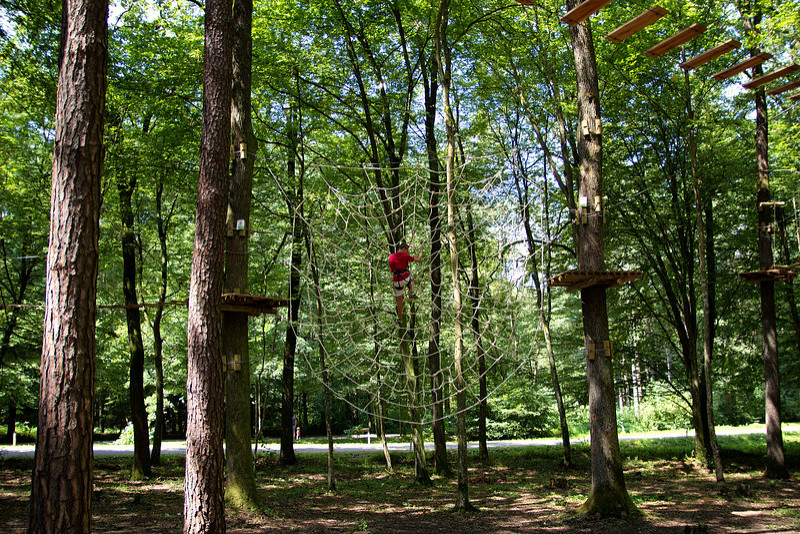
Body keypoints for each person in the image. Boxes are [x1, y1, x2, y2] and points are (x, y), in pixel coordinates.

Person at [389, 240, 423, 321]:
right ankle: (412, 292)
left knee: (399, 300)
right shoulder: (405, 256)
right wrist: (421, 250)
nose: (407, 252)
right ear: (404, 249)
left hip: (396, 281)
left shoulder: (392, 256)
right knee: (412, 280)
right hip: (404, 278)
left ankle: (400, 318)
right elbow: (418, 259)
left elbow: (390, 270)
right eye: (407, 251)